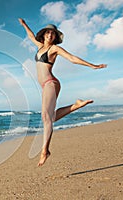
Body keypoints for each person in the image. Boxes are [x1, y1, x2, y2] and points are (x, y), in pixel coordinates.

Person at [18, 18, 107, 166]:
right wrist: (24, 24)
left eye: (53, 34)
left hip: (50, 83)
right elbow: (31, 37)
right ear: (43, 35)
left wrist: (92, 66)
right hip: (46, 86)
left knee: (45, 117)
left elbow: (72, 58)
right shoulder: (40, 47)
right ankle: (76, 106)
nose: (50, 35)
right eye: (48, 32)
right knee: (50, 118)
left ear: (55, 37)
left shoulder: (54, 49)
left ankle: (45, 150)